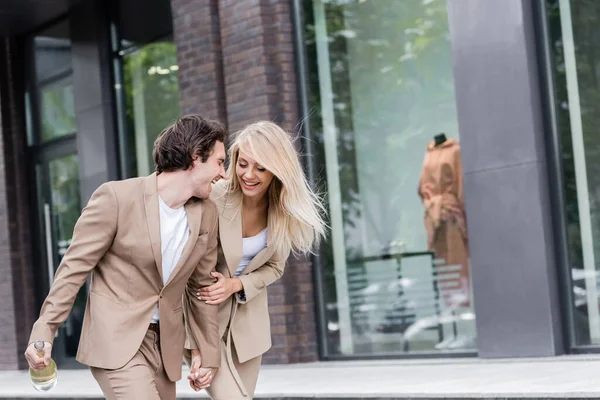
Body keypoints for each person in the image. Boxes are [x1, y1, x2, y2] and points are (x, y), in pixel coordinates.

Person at [24, 114, 227, 400]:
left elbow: (200, 288)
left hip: (163, 346)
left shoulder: (206, 213)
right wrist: (45, 329)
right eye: (220, 162)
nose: (224, 173)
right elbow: (74, 270)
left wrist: (207, 352)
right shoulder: (116, 198)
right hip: (117, 339)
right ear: (195, 157)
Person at [185, 121, 326, 399]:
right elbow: (186, 271)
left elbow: (275, 267)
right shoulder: (214, 196)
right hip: (205, 320)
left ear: (277, 169)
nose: (249, 175)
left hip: (248, 330)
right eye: (243, 164)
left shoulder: (283, 211)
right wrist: (194, 348)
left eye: (260, 167)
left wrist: (236, 284)